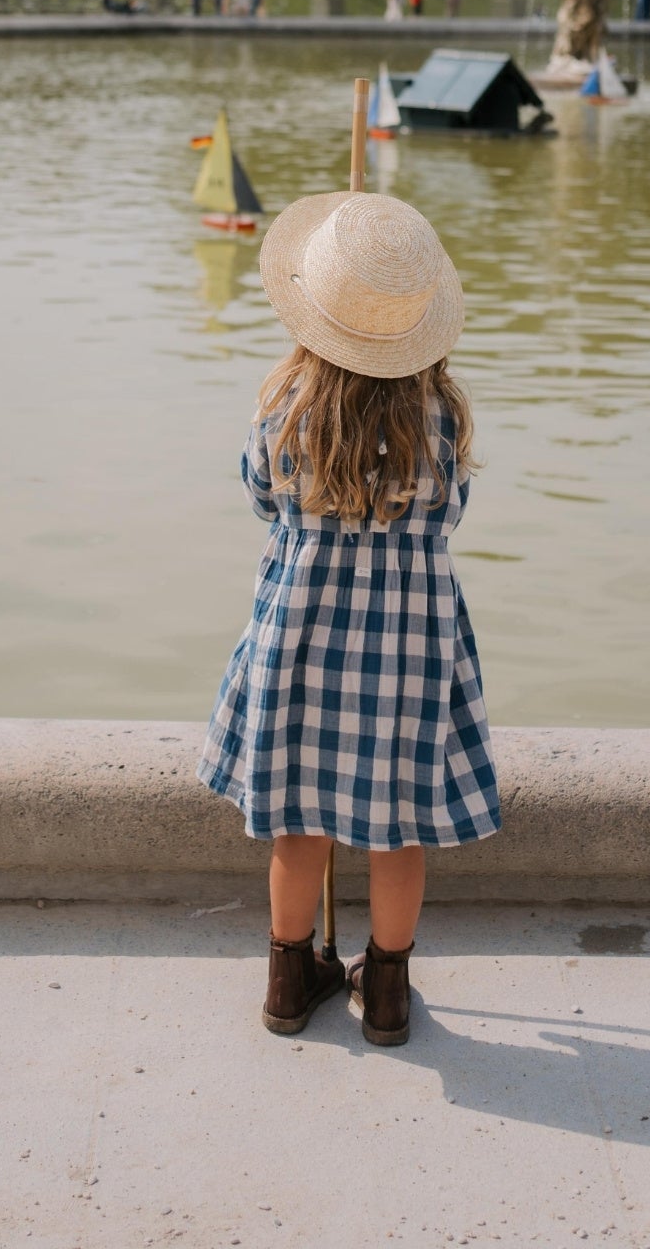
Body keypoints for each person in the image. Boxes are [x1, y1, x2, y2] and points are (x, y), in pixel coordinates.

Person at [198, 192, 500, 1047]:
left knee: (299, 817)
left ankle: (290, 979)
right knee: (398, 824)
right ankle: (390, 988)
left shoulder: (286, 408)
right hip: (409, 638)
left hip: (301, 629)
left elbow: (262, 497)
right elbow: (451, 511)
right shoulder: (440, 415)